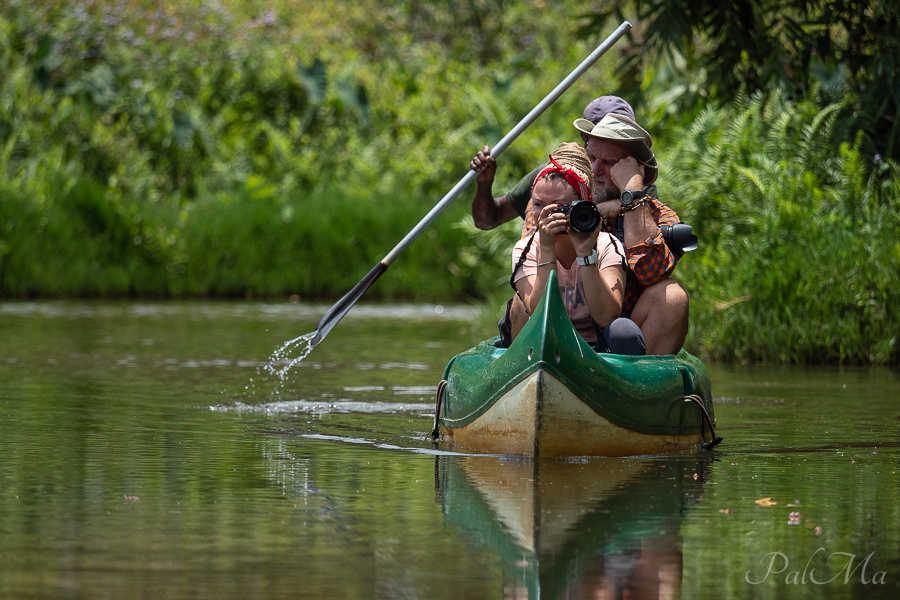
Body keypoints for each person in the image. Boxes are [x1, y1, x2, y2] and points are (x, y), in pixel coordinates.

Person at [471, 96, 688, 355]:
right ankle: (533, 379)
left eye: (609, 163)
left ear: (631, 167)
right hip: (553, 325)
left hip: (621, 331)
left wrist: (631, 196)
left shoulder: (644, 202)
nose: (595, 169)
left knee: (672, 296)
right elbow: (531, 252)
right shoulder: (551, 190)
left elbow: (650, 273)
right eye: (592, 155)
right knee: (520, 303)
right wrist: (594, 212)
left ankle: (641, 389)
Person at [511, 142, 645, 355]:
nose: (546, 213)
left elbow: (607, 316)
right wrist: (546, 248)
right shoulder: (527, 248)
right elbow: (539, 313)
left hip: (595, 349)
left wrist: (585, 253)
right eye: (538, 205)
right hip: (544, 344)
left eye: (558, 205)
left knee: (624, 330)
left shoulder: (606, 245)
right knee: (518, 305)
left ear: (581, 207)